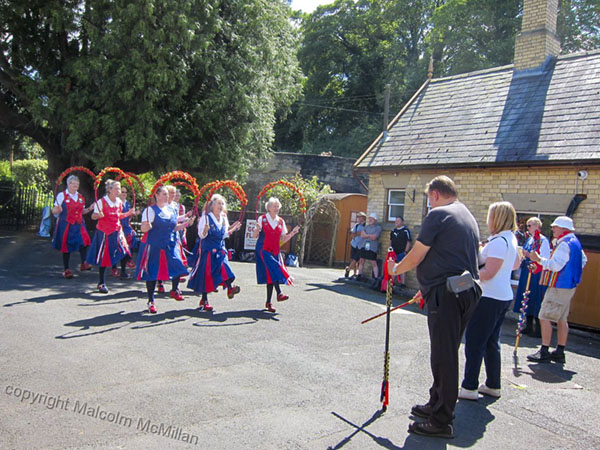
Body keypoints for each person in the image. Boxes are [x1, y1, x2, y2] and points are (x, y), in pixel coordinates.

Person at [387, 175, 481, 439]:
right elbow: (454, 257)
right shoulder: (466, 216)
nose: (429, 203)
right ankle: (435, 403)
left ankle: (442, 420)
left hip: (449, 294)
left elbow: (417, 254)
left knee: (444, 355)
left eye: (429, 198)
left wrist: (395, 269)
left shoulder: (439, 215)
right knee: (445, 352)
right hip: (461, 290)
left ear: (436, 195)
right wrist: (425, 288)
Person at [458, 201, 520, 401]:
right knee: (492, 341)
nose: (488, 219)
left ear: (498, 218)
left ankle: (469, 387)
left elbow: (488, 272)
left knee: (475, 342)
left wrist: (460, 282)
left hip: (489, 297)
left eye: (491, 215)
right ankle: (493, 384)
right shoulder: (509, 239)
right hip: (501, 296)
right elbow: (515, 263)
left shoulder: (500, 241)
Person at [527, 216, 587, 364]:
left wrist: (538, 259)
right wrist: (572, 273)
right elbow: (583, 260)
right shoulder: (574, 242)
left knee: (544, 316)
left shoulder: (564, 244)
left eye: (555, 226)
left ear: (563, 229)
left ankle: (544, 350)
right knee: (561, 319)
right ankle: (559, 351)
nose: (552, 228)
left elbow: (555, 266)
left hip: (559, 286)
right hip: (568, 286)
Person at [136, 186, 194, 313]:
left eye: (167, 194)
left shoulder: (172, 209)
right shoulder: (150, 211)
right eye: (163, 194)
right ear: (156, 195)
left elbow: (173, 228)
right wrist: (146, 226)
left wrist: (185, 224)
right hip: (154, 245)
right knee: (151, 273)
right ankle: (151, 301)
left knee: (179, 266)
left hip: (169, 245)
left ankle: (174, 289)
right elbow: (143, 229)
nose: (166, 196)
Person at [187, 194, 242, 311]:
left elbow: (224, 234)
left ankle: (230, 287)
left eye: (222, 204)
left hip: (220, 249)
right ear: (212, 205)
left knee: (224, 267)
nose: (221, 206)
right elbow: (201, 235)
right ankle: (204, 299)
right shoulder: (206, 217)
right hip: (208, 249)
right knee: (206, 274)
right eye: (218, 203)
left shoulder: (223, 218)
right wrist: (205, 230)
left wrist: (233, 229)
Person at [86, 180, 134, 293]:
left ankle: (121, 269)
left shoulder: (119, 202)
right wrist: (98, 215)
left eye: (119, 188)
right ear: (109, 190)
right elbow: (93, 216)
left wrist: (128, 213)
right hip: (104, 233)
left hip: (116, 231)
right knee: (104, 257)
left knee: (125, 249)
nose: (118, 191)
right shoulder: (101, 202)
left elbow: (118, 216)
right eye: (116, 189)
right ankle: (101, 282)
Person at [252, 197, 300, 313]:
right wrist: (257, 230)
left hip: (274, 251)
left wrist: (292, 233)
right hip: (263, 249)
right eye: (274, 206)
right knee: (274, 267)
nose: (277, 208)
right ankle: (279, 292)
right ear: (268, 208)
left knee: (271, 274)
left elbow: (283, 239)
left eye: (278, 206)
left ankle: (269, 302)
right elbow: (254, 236)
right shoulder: (262, 219)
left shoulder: (281, 221)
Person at [511, 217, 551, 337]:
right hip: (527, 271)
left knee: (536, 298)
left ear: (536, 226)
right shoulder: (530, 239)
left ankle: (538, 329)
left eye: (529, 226)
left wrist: (529, 255)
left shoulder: (543, 241)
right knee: (526, 296)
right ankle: (528, 325)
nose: (527, 228)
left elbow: (544, 258)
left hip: (536, 274)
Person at [51, 175, 93, 278]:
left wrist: (88, 209)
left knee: (85, 241)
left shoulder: (80, 197)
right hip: (66, 224)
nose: (76, 187)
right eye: (74, 184)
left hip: (79, 223)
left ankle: (84, 263)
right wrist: (58, 210)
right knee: (66, 246)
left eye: (77, 185)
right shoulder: (62, 195)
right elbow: (54, 210)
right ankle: (66, 269)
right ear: (68, 184)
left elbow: (81, 211)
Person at [110, 185, 139, 279]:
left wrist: (133, 214)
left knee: (129, 243)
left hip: (126, 228)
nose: (124, 194)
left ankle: (125, 266)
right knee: (117, 248)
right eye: (122, 192)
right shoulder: (116, 203)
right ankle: (115, 267)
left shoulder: (127, 203)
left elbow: (128, 218)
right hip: (118, 227)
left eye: (125, 192)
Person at [358, 212, 382, 281]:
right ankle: (359, 274)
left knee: (373, 262)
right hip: (364, 246)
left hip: (372, 247)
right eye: (370, 219)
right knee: (361, 260)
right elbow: (362, 235)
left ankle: (376, 277)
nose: (370, 220)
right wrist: (369, 236)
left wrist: (367, 235)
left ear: (375, 220)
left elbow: (374, 237)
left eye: (372, 219)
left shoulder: (378, 228)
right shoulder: (366, 227)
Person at [390, 216, 412, 286]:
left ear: (402, 222)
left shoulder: (405, 231)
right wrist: (390, 250)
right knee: (393, 267)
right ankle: (392, 282)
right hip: (394, 253)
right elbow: (391, 241)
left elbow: (408, 242)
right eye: (395, 221)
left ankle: (403, 283)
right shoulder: (393, 231)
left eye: (398, 221)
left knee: (402, 267)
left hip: (402, 252)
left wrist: (405, 251)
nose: (396, 222)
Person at [345, 212, 366, 279]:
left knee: (355, 259)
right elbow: (352, 234)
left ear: (363, 217)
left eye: (360, 217)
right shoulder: (356, 225)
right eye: (358, 217)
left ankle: (348, 269)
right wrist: (358, 233)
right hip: (354, 244)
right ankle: (354, 273)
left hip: (361, 245)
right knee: (353, 259)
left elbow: (363, 234)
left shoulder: (365, 225)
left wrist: (357, 233)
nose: (359, 218)